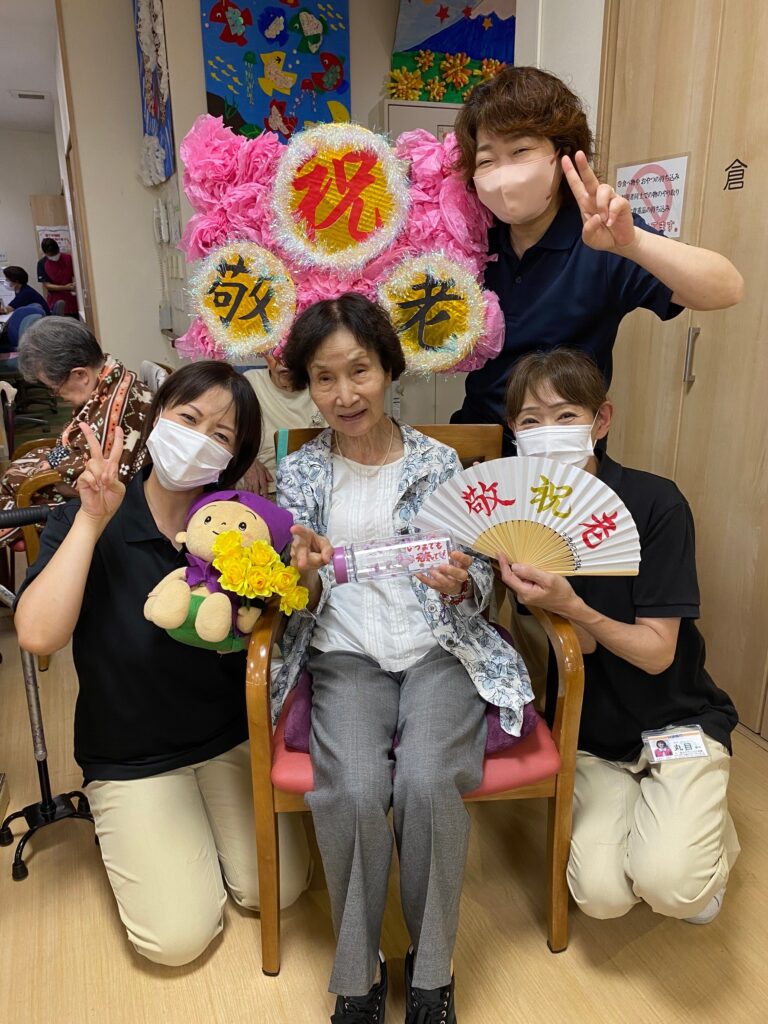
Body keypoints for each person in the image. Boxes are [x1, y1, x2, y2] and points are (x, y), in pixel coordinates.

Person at [276, 292, 532, 1024]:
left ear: (389, 369)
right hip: (345, 653)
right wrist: (299, 572)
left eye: (359, 370)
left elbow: (480, 580)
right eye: (324, 378)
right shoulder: (298, 471)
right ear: (307, 385)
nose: (344, 394)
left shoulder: (440, 461)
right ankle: (358, 976)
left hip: (436, 650)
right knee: (355, 789)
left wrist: (460, 585)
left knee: (426, 779)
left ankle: (431, 971)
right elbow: (290, 596)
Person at [13, 360, 311, 966]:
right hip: (131, 755)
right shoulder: (95, 512)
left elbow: (283, 614)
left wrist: (304, 566)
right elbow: (38, 635)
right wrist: (91, 519)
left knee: (277, 890)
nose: (199, 439)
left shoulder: (238, 526)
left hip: (228, 737)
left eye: (220, 435)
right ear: (156, 420)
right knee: (177, 940)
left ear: (233, 457)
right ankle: (135, 827)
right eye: (188, 418)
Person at [498, 348, 739, 926]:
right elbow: (575, 649)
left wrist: (573, 605)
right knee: (601, 898)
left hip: (675, 716)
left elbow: (656, 655)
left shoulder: (655, 503)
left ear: (600, 420)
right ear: (514, 432)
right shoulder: (518, 518)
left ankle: (703, 831)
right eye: (531, 420)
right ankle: (664, 816)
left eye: (565, 416)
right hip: (592, 735)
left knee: (672, 887)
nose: (548, 432)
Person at [451, 66, 744, 454]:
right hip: (477, 445)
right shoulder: (469, 239)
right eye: (487, 160)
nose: (504, 175)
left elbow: (727, 288)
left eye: (520, 151)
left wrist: (633, 243)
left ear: (562, 154)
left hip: (566, 451)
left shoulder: (601, 237)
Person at [0, 318, 153, 542]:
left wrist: (47, 468)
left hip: (105, 508)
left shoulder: (119, 408)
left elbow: (97, 484)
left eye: (55, 388)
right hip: (78, 475)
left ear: (80, 374)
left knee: (11, 500)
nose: (57, 395)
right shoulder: (110, 378)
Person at [242, 350, 325, 497]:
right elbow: (223, 435)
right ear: (264, 354)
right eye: (275, 352)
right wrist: (245, 462)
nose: (283, 360)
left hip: (317, 487)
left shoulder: (322, 385)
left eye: (291, 350)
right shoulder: (249, 382)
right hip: (265, 488)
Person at [37, 237, 78, 316]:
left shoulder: (68, 258)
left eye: (56, 253)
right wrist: (65, 287)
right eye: (51, 255)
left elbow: (77, 276)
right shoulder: (42, 263)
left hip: (72, 300)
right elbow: (47, 285)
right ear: (45, 253)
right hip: (55, 300)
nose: (55, 256)